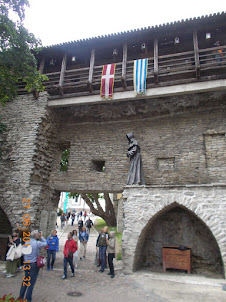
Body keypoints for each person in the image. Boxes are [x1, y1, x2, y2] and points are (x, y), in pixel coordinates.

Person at [18, 230, 47, 302]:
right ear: (36, 236)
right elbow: (46, 244)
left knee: (25, 280)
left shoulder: (26, 242)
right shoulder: (37, 243)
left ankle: (20, 297)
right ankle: (28, 299)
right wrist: (42, 237)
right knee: (31, 282)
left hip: (26, 263)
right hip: (33, 264)